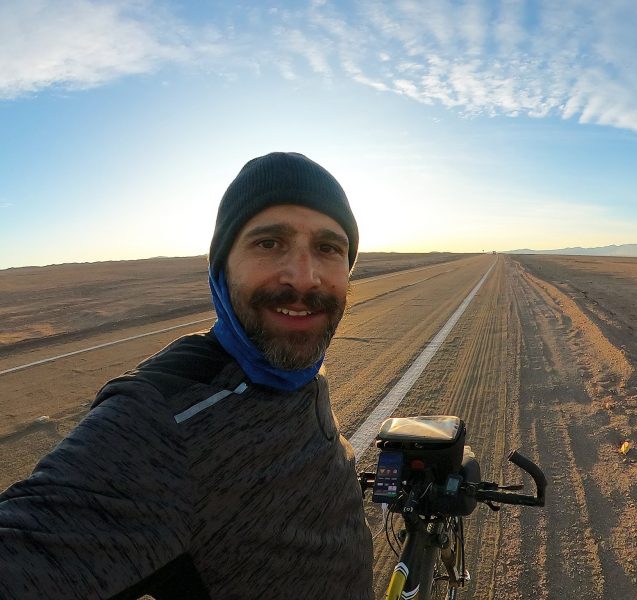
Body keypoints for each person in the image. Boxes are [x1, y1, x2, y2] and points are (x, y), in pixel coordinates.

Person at [0, 153, 374, 599]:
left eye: (328, 248)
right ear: (221, 268)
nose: (304, 277)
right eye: (269, 243)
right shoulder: (161, 420)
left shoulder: (295, 361)